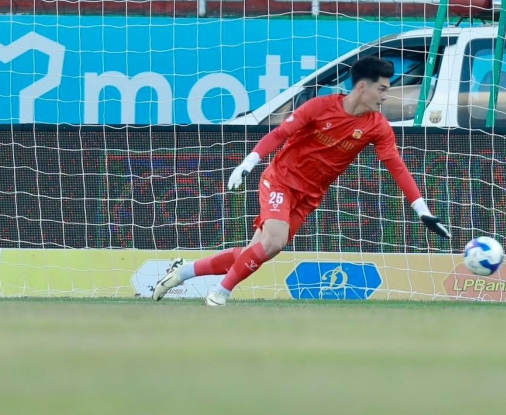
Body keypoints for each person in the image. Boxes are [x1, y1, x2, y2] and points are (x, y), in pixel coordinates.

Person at [152, 56, 450, 307]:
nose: (386, 96)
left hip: (309, 196)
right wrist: (249, 161)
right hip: (280, 181)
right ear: (362, 87)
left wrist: (421, 210)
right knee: (274, 241)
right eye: (382, 89)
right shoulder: (319, 107)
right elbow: (280, 133)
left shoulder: (378, 127)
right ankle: (219, 294)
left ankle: (183, 272)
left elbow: (397, 167)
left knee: (255, 252)